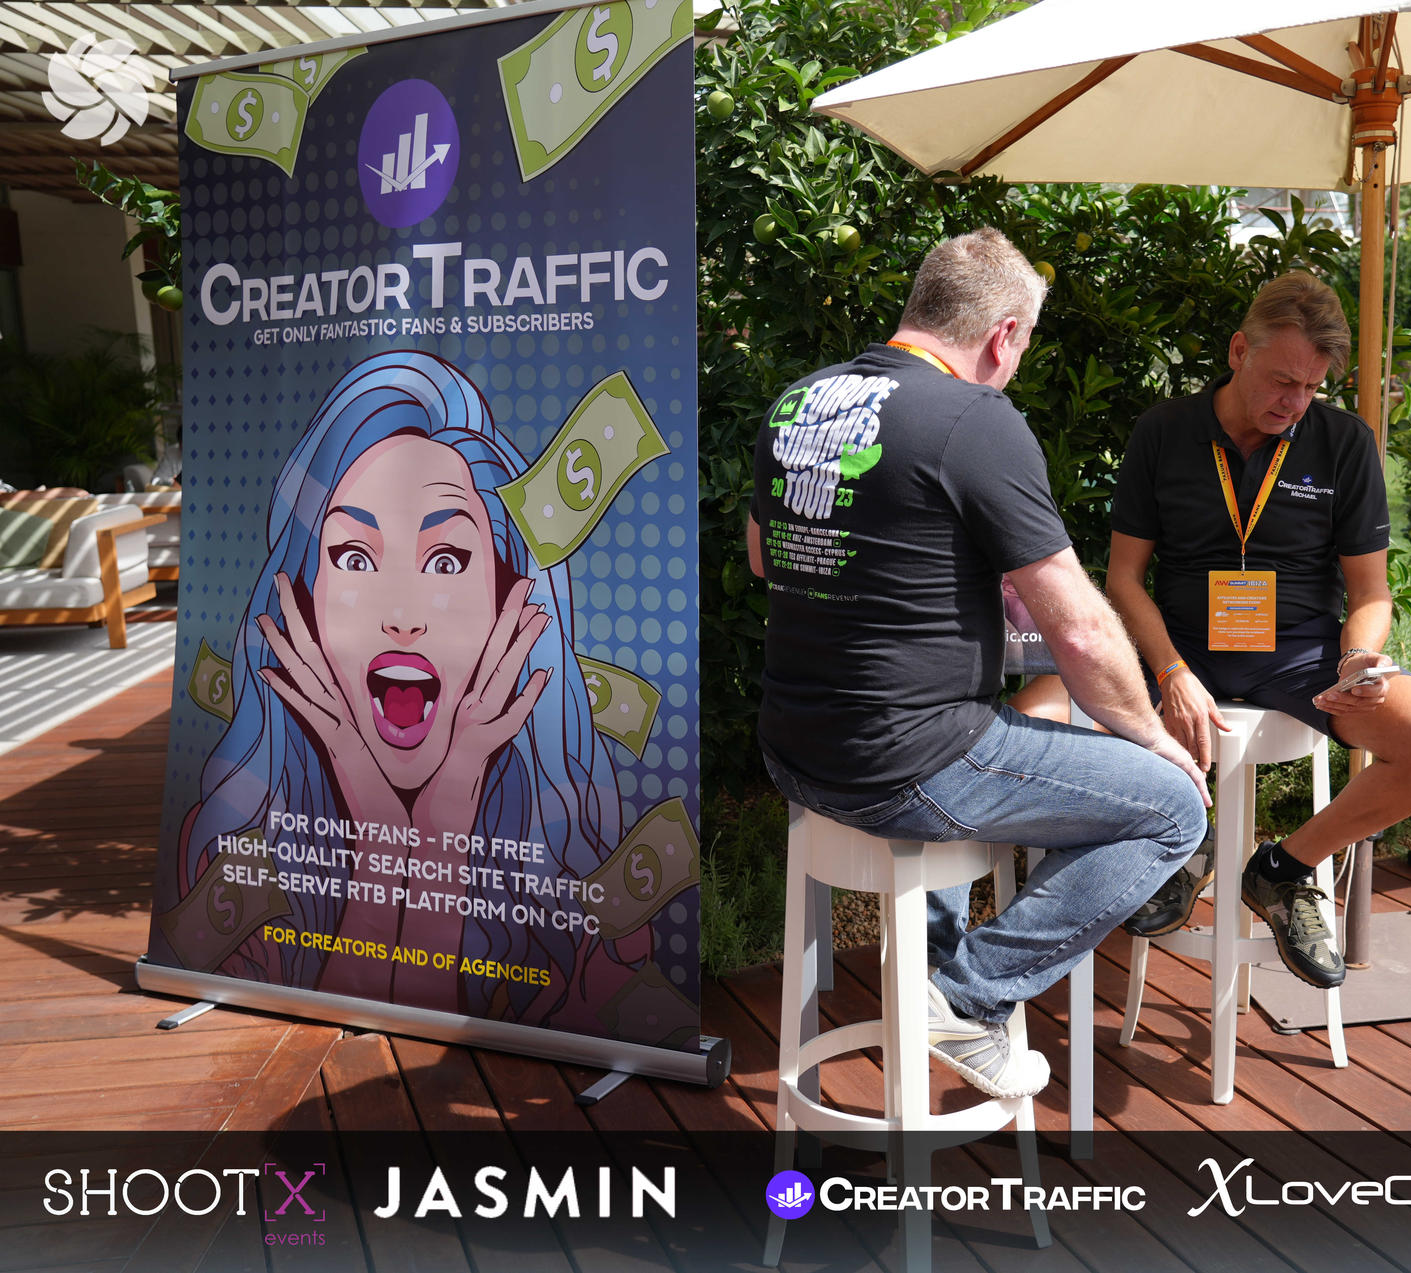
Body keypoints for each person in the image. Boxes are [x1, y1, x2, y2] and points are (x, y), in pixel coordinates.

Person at [747, 227, 1209, 1101]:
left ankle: (932, 965)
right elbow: (1080, 632)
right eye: (1023, 347)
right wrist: (1154, 737)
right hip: (905, 765)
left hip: (795, 752)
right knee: (1171, 808)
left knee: (998, 733)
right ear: (1002, 335)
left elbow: (767, 557)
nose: (1016, 366)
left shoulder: (800, 401)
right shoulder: (974, 419)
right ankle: (964, 998)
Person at [159, 351, 681, 1038]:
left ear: (507, 597)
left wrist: (443, 823)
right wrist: (390, 847)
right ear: (303, 598)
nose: (401, 616)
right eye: (353, 557)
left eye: (447, 559)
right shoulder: (233, 842)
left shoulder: (578, 868)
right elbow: (329, 1043)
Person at [1105, 272, 1411, 988]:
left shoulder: (1344, 442)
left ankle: (1284, 867)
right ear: (1239, 351)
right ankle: (1182, 841)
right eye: (1282, 381)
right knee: (1062, 726)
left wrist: (1358, 660)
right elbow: (1123, 579)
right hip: (1181, 651)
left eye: (1311, 387)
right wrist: (1171, 671)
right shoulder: (1164, 430)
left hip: (1303, 656)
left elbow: (1371, 591)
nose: (1294, 403)